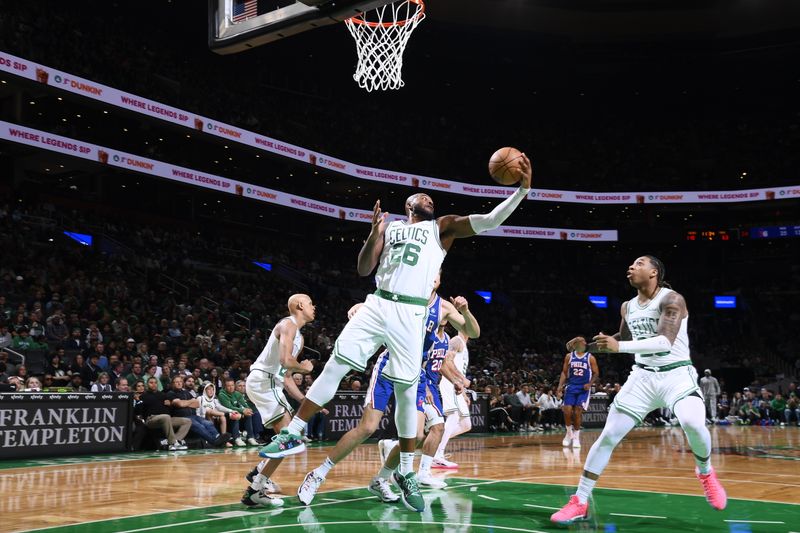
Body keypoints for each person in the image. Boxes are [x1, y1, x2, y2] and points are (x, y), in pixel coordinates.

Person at [260, 155, 531, 513]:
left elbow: (490, 220)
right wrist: (374, 233)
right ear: (409, 206)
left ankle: (405, 472)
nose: (430, 200)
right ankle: (292, 432)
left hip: (410, 312)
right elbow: (363, 268)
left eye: (433, 199)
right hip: (378, 302)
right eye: (424, 198)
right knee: (336, 366)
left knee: (407, 392)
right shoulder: (390, 228)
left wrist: (523, 190)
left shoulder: (443, 227)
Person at [551, 255, 727, 524]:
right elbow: (625, 338)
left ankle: (705, 472)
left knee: (692, 422)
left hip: (676, 374)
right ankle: (580, 500)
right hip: (642, 378)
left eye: (639, 263)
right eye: (631, 264)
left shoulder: (672, 299)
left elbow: (665, 342)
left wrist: (618, 347)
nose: (631, 267)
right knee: (608, 436)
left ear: (654, 272)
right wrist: (587, 347)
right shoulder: (627, 306)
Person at [291, 279, 479, 511]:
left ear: (439, 278)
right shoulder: (406, 293)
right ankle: (318, 475)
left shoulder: (443, 308)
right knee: (367, 428)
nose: (429, 275)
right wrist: (361, 307)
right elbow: (381, 303)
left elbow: (473, 331)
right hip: (389, 365)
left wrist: (465, 311)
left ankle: (381, 479)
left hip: (415, 373)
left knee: (417, 436)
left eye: (434, 272)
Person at [240, 294, 316, 508]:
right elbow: (286, 361)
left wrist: (304, 400)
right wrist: (305, 368)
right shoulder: (287, 325)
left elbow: (286, 375)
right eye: (310, 303)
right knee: (287, 439)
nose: (314, 307)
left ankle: (259, 474)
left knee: (289, 438)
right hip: (264, 380)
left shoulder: (298, 337)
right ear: (300, 305)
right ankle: (255, 489)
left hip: (270, 382)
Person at [433, 333, 475, 468]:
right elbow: (447, 361)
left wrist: (463, 393)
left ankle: (433, 444)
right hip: (450, 382)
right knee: (454, 416)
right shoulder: (457, 340)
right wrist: (461, 379)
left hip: (457, 385)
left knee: (466, 424)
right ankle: (437, 455)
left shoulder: (463, 343)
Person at [557, 336, 599, 448]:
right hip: (571, 386)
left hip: (583, 388)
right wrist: (559, 387)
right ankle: (568, 433)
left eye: (585, 341)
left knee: (577, 412)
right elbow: (564, 373)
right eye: (582, 341)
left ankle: (576, 437)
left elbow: (596, 373)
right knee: (567, 411)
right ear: (576, 344)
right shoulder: (569, 356)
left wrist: (590, 384)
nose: (585, 343)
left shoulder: (590, 357)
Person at [140, 376, 191, 451]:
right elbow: (140, 410)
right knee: (166, 417)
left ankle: (176, 441)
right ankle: (172, 443)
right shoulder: (143, 396)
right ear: (147, 384)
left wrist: (169, 404)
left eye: (155, 383)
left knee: (187, 421)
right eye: (151, 383)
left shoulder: (163, 395)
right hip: (151, 419)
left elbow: (169, 410)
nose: (154, 384)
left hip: (166, 418)